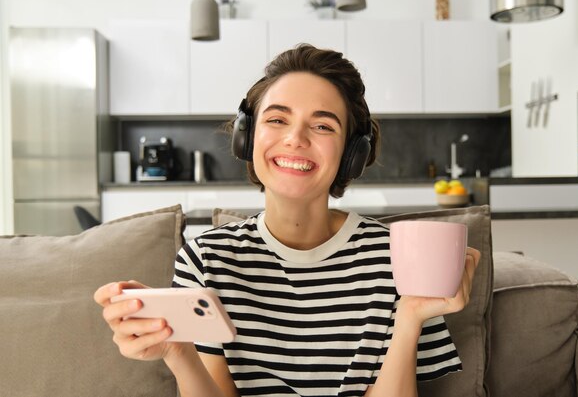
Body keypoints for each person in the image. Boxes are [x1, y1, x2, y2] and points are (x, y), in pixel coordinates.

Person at [94, 44, 481, 397]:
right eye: (277, 119)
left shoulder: (397, 258)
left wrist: (410, 317)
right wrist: (177, 351)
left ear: (352, 153)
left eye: (323, 125)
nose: (295, 138)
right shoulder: (205, 260)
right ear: (247, 136)